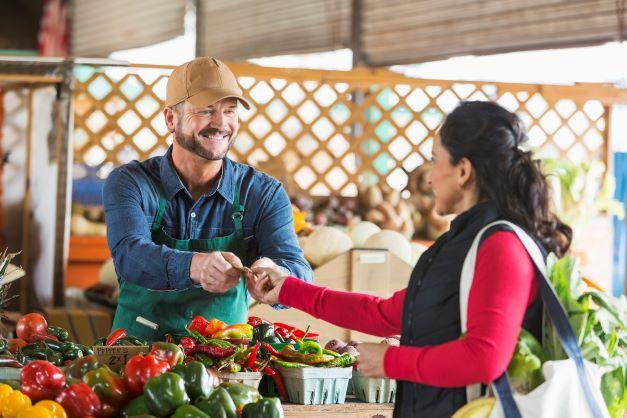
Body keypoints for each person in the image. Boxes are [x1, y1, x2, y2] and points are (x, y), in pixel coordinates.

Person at [248, 101, 572, 417]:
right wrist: (287, 289)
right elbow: (383, 314)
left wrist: (390, 361)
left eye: (435, 161)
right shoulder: (460, 243)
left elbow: (485, 357)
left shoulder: (502, 245)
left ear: (463, 171)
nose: (429, 178)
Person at [103, 57, 313, 341]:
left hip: (227, 359)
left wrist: (278, 274)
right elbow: (129, 255)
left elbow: (299, 269)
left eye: (230, 111)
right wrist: (196, 266)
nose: (221, 123)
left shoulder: (263, 193)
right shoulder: (130, 182)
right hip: (136, 354)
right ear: (170, 119)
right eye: (205, 110)